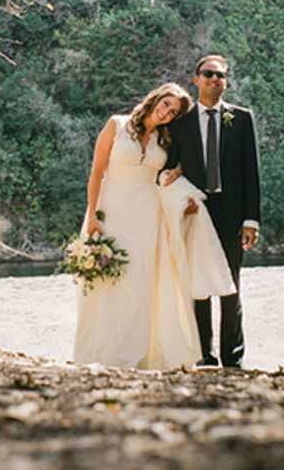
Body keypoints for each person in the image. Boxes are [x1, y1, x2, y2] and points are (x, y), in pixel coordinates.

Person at [73, 82, 206, 369]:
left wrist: (179, 172)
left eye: (172, 112)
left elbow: (179, 165)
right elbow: (96, 173)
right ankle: (102, 353)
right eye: (166, 103)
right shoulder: (116, 125)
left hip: (148, 214)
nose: (166, 112)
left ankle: (137, 354)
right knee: (107, 280)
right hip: (112, 208)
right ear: (156, 98)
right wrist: (93, 216)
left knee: (141, 283)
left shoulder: (165, 140)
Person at [164, 55, 261, 368]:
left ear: (226, 82)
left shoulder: (242, 119)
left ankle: (233, 357)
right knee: (199, 286)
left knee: (231, 285)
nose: (214, 80)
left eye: (220, 76)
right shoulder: (181, 122)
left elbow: (251, 172)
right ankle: (204, 355)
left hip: (232, 214)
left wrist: (251, 220)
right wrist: (181, 200)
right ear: (195, 79)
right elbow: (170, 167)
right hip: (197, 212)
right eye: (208, 74)